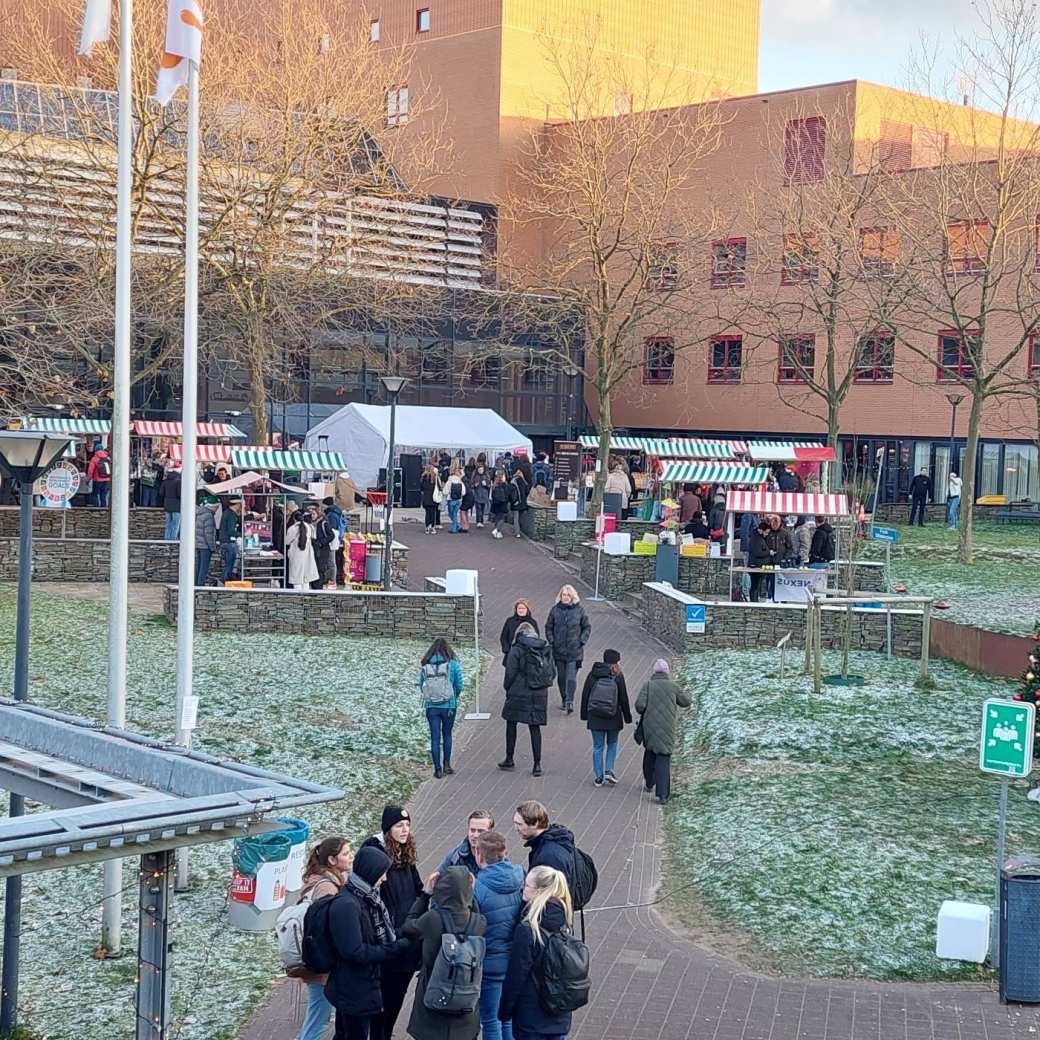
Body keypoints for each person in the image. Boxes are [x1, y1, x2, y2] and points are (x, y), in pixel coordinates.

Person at [326, 845, 411, 1040]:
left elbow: (373, 934)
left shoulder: (366, 897)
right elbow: (354, 951)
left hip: (363, 985)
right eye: (382, 873)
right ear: (370, 872)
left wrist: (401, 934)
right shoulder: (347, 905)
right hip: (353, 989)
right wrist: (392, 949)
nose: (385, 879)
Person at [402, 866, 487, 1040]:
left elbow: (408, 926)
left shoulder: (432, 919)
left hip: (432, 1004)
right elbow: (474, 910)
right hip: (465, 1011)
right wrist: (470, 892)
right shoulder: (479, 923)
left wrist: (425, 895)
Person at [361, 807, 424, 1040]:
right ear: (388, 829)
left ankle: (385, 1033)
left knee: (397, 995)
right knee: (383, 998)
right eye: (399, 826)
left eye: (407, 825)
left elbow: (417, 889)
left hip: (407, 940)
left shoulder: (405, 854)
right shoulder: (375, 856)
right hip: (388, 941)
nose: (405, 830)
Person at [498, 866, 576, 1040]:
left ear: (540, 891)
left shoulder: (528, 929)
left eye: (526, 886)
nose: (522, 889)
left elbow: (516, 975)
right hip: (559, 1013)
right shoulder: (565, 922)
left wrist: (505, 1011)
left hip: (531, 1016)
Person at [294, 836, 354, 1040]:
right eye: (346, 854)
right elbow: (326, 928)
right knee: (317, 1019)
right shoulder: (326, 888)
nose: (351, 856)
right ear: (332, 860)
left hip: (320, 964)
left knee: (318, 1016)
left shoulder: (328, 881)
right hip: (322, 967)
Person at [472, 831, 524, 1040]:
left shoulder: (478, 887)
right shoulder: (520, 875)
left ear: (479, 855)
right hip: (513, 960)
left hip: (490, 961)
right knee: (508, 1017)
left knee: (491, 1020)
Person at [635, 659, 691, 804]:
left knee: (650, 753)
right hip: (667, 728)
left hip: (650, 727)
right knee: (663, 758)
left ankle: (649, 782)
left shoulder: (648, 685)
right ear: (667, 672)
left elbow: (639, 706)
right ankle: (663, 794)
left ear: (654, 672)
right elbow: (685, 702)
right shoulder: (673, 686)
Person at [500, 621, 552, 777]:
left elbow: (510, 672)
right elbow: (552, 672)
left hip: (519, 691)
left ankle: (509, 758)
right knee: (535, 728)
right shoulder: (544, 648)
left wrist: (507, 688)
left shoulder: (516, 649)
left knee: (511, 723)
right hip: (539, 693)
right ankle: (537, 764)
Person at [579, 649, 632, 787]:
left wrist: (584, 715)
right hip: (613, 717)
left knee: (598, 746)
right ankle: (609, 769)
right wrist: (627, 717)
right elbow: (623, 699)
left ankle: (598, 777)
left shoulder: (593, 674)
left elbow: (586, 695)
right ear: (616, 662)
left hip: (595, 716)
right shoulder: (618, 676)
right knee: (612, 743)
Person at [420, 638, 464, 778]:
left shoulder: (426, 666)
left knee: (434, 737)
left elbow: (422, 684)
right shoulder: (453, 665)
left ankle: (437, 769)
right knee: (447, 735)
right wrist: (454, 696)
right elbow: (459, 685)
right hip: (449, 706)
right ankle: (447, 764)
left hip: (432, 707)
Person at [545, 585, 591, 714]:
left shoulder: (580, 611)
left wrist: (582, 640)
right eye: (564, 595)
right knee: (561, 677)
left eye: (568, 595)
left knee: (571, 677)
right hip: (558, 650)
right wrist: (552, 640)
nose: (565, 597)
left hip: (574, 651)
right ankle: (564, 699)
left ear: (572, 597)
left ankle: (570, 701)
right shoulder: (555, 610)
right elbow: (548, 627)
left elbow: (586, 627)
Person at [513, 802, 576, 892]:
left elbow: (551, 891)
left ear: (535, 824)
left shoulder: (548, 856)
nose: (516, 828)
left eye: (519, 824)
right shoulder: (556, 838)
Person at [437, 810, 494, 878]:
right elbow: (439, 882)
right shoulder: (454, 857)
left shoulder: (498, 860)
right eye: (472, 830)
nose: (475, 835)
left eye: (480, 831)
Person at [287, 510, 320, 589]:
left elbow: (287, 541)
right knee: (306, 579)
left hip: (296, 554)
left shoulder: (292, 528)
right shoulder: (308, 527)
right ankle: (306, 597)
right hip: (307, 554)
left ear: (294, 519)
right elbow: (314, 537)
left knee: (296, 579)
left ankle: (298, 597)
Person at [499, 599, 539, 666]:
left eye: (523, 608)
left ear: (527, 610)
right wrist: (507, 650)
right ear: (516, 609)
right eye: (519, 608)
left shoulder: (532, 622)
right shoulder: (510, 621)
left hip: (527, 657)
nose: (521, 610)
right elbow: (503, 637)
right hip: (511, 655)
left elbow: (536, 638)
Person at [747, 520, 774, 602]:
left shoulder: (758, 537)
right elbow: (757, 552)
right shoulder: (756, 538)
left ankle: (755, 601)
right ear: (761, 530)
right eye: (766, 532)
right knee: (755, 585)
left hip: (758, 565)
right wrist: (768, 552)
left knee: (756, 586)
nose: (767, 534)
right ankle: (754, 602)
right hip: (755, 565)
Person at [194, 494, 217, 586]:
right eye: (217, 507)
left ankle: (196, 584)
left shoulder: (200, 513)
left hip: (199, 544)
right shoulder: (209, 516)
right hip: (205, 546)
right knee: (204, 568)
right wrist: (212, 547)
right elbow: (208, 533)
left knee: (199, 567)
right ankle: (200, 585)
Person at [312, 503, 336, 589]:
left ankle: (319, 586)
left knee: (320, 569)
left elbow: (331, 535)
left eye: (314, 514)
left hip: (323, 549)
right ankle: (316, 586)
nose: (312, 516)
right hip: (316, 549)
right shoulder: (314, 524)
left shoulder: (323, 523)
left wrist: (321, 542)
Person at [218, 498, 242, 584]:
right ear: (237, 504)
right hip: (228, 542)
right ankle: (225, 580)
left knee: (229, 563)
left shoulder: (228, 513)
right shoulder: (230, 515)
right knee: (230, 564)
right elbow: (231, 531)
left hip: (224, 541)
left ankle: (225, 580)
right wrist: (242, 534)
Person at [159, 463, 181, 540]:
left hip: (167, 505)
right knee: (175, 524)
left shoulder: (165, 481)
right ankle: (173, 539)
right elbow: (179, 494)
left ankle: (167, 539)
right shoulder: (179, 481)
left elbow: (161, 493)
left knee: (168, 524)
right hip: (177, 506)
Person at [444, 461, 467, 533]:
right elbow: (463, 492)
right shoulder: (460, 482)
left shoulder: (449, 481)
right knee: (455, 514)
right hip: (459, 500)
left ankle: (454, 528)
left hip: (451, 500)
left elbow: (445, 492)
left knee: (451, 514)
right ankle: (457, 526)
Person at [420, 464, 442, 535]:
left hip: (426, 497)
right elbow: (439, 487)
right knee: (433, 513)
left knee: (427, 513)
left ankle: (427, 527)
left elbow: (421, 488)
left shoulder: (423, 477)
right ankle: (432, 527)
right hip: (433, 497)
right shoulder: (435, 478)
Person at [490, 472, 512, 539]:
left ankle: (497, 532)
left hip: (495, 504)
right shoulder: (505, 485)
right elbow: (508, 495)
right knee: (502, 518)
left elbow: (492, 496)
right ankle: (496, 530)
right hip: (503, 504)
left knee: (497, 518)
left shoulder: (494, 486)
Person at [510, 469, 529, 538]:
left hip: (516, 502)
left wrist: (513, 501)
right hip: (523, 503)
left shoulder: (513, 482)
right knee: (519, 518)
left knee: (516, 518)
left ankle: (517, 532)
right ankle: (518, 530)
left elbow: (511, 493)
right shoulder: (524, 482)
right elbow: (527, 491)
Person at [472, 463, 492, 528]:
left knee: (482, 509)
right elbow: (471, 485)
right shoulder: (475, 476)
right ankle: (478, 521)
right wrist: (474, 485)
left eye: (482, 469)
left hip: (484, 494)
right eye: (479, 469)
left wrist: (486, 484)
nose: (480, 470)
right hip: (477, 494)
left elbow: (489, 485)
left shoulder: (486, 476)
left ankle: (481, 521)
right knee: (478, 509)